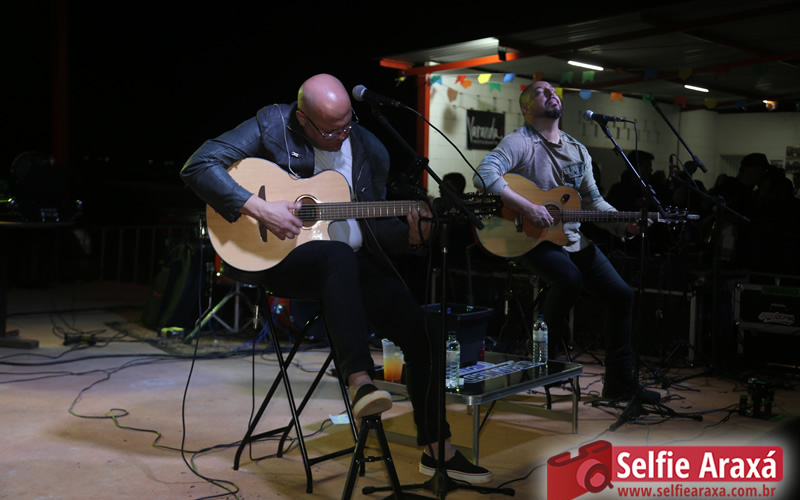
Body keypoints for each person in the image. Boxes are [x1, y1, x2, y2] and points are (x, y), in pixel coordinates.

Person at [180, 74, 492, 483]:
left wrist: (413, 236)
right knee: (338, 255)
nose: (342, 136)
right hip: (281, 261)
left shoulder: (370, 148)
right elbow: (198, 165)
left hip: (350, 267)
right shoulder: (272, 123)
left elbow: (374, 228)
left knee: (424, 332)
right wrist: (259, 207)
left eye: (347, 125)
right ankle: (360, 381)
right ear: (302, 118)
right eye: (330, 130)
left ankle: (438, 449)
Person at [473, 80, 657, 402]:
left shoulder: (577, 150)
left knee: (621, 295)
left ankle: (619, 382)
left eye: (553, 91)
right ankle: (541, 349)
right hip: (530, 239)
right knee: (569, 279)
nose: (551, 93)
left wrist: (624, 225)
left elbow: (594, 203)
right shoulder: (520, 142)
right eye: (541, 92)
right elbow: (484, 174)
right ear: (526, 108)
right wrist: (529, 207)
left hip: (571, 238)